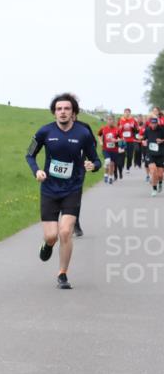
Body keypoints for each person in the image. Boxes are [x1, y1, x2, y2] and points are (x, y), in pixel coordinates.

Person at [26, 93, 101, 289]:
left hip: (72, 188)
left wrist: (93, 165)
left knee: (65, 231)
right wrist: (37, 171)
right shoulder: (45, 131)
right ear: (54, 112)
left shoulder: (83, 133)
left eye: (67, 108)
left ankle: (62, 274)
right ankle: (48, 244)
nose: (63, 112)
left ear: (73, 112)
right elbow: (29, 155)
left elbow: (96, 160)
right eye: (59, 109)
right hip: (49, 189)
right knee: (52, 236)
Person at [143, 115, 164, 196]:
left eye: (155, 123)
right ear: (150, 123)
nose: (153, 125)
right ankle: (154, 189)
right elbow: (144, 138)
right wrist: (144, 142)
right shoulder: (147, 130)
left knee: (160, 175)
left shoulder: (162, 130)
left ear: (157, 123)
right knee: (153, 171)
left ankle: (160, 182)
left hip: (160, 154)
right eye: (152, 123)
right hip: (150, 153)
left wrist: (162, 141)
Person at [118, 108, 137, 173]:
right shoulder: (120, 120)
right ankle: (122, 166)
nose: (127, 113)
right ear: (124, 113)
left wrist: (133, 128)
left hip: (130, 140)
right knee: (122, 154)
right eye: (125, 112)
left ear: (130, 113)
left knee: (130, 156)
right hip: (122, 140)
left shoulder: (133, 120)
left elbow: (137, 130)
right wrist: (120, 128)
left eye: (128, 112)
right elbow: (117, 130)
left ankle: (128, 167)